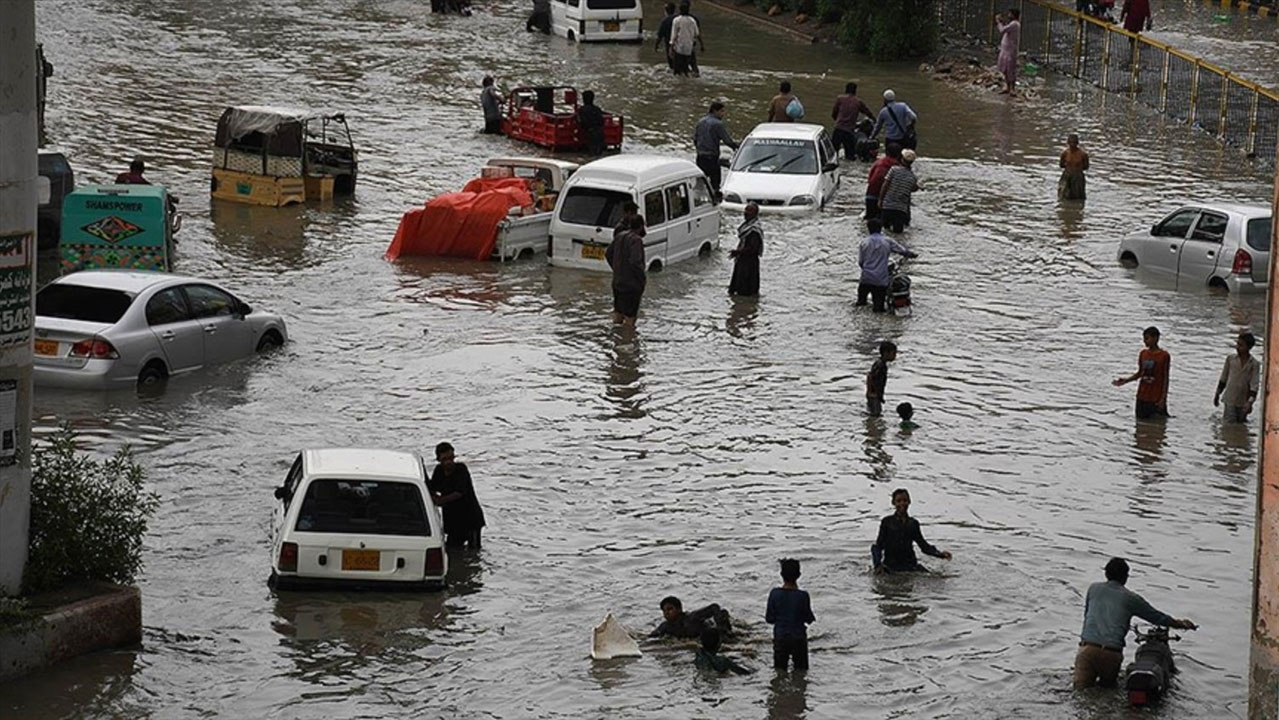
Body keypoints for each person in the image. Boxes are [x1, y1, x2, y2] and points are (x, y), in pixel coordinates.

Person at [1073, 558, 1196, 689]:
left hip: (1087, 650)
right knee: (1106, 691)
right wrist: (1181, 624)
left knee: (1080, 693)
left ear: (1106, 574)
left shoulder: (1093, 589)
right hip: (1111, 654)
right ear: (1125, 577)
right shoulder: (1131, 598)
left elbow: (1087, 616)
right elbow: (1156, 617)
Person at [871, 488, 952, 573]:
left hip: (910, 565)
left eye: (905, 500)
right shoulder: (887, 522)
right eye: (898, 501)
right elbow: (878, 546)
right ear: (893, 503)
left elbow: (923, 545)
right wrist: (877, 565)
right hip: (891, 566)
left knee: (938, 578)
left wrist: (940, 554)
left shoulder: (913, 524)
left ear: (909, 502)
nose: (902, 503)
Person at [428, 442, 486, 549]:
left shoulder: (461, 470)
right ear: (439, 459)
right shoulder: (438, 471)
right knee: (452, 549)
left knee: (473, 551)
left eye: (451, 458)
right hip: (453, 520)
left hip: (470, 519)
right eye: (445, 459)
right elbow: (432, 487)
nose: (449, 462)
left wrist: (440, 500)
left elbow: (459, 493)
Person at [765, 559, 815, 671]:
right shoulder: (803, 596)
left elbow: (769, 619)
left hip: (781, 638)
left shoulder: (774, 594)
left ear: (781, 574)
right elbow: (809, 619)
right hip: (799, 638)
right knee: (801, 671)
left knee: (779, 670)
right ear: (799, 575)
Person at [857, 218, 916, 313]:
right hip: (880, 280)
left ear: (869, 229)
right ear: (881, 228)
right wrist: (910, 254)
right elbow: (902, 250)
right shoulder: (887, 241)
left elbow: (861, 262)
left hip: (866, 278)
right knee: (878, 309)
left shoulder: (864, 242)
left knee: (860, 304)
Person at [1113, 326, 1170, 420]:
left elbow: (1165, 378)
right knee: (1140, 425)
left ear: (1156, 338)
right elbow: (1140, 373)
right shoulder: (1143, 353)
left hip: (1155, 398)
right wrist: (1125, 380)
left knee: (1158, 426)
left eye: (1147, 338)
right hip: (1142, 396)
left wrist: (1163, 399)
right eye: (1144, 339)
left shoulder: (1164, 356)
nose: (1145, 341)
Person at [605, 214, 647, 328]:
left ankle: (616, 339)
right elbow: (635, 262)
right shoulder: (636, 240)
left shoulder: (619, 236)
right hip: (631, 286)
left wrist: (617, 269)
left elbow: (608, 254)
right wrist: (642, 278)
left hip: (618, 282)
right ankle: (628, 341)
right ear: (641, 226)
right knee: (630, 317)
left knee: (618, 313)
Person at [694, 101, 739, 197]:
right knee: (715, 184)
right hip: (712, 158)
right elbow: (727, 141)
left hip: (700, 157)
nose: (723, 114)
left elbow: (695, 139)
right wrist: (738, 147)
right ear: (715, 111)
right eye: (722, 111)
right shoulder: (717, 124)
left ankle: (699, 199)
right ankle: (714, 201)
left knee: (700, 183)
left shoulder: (701, 122)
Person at [1214, 332, 1259, 423]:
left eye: (1241, 345)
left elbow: (1254, 385)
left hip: (1243, 401)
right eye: (1237, 344)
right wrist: (1217, 393)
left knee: (1241, 424)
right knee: (1229, 424)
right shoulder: (1230, 359)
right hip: (1230, 398)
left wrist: (1249, 402)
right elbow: (1223, 378)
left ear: (1249, 347)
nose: (1237, 347)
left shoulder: (1254, 364)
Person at [650, 596, 734, 638]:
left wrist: (724, 630)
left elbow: (714, 607)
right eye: (664, 611)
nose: (666, 613)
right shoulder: (666, 626)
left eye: (670, 609)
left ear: (679, 609)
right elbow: (651, 637)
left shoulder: (692, 618)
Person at [878, 149, 920, 233]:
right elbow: (912, 189)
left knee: (884, 230)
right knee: (898, 232)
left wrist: (880, 200)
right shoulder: (913, 177)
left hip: (888, 205)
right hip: (901, 209)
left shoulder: (893, 170)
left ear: (902, 159)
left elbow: (885, 185)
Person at [831, 82, 874, 160]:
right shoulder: (858, 102)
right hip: (849, 131)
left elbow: (834, 113)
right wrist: (874, 120)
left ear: (846, 90)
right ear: (855, 91)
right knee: (850, 156)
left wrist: (838, 121)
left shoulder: (840, 99)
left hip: (838, 129)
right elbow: (867, 112)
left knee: (833, 153)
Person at [729, 202, 763, 296]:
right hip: (742, 261)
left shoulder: (754, 230)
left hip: (749, 264)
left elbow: (753, 249)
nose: (746, 212)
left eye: (749, 210)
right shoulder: (746, 226)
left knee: (746, 290)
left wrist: (738, 252)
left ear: (755, 213)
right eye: (746, 210)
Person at [864, 143, 901, 221]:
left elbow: (870, 179)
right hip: (887, 200)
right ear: (898, 155)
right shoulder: (898, 167)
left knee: (870, 221)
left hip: (870, 195)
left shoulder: (877, 162)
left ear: (886, 152)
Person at [866, 340, 897, 417]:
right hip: (874, 394)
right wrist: (876, 394)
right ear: (886, 353)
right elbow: (871, 378)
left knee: (874, 413)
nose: (895, 356)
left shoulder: (879, 363)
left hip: (873, 393)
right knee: (875, 414)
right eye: (893, 353)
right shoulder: (881, 366)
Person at [670, 4, 700, 77]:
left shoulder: (676, 20)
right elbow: (697, 34)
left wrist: (671, 47)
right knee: (687, 67)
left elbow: (674, 35)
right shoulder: (692, 21)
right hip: (689, 48)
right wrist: (701, 45)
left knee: (677, 70)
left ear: (679, 10)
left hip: (679, 48)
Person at [996, 10, 1021, 95]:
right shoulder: (1012, 24)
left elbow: (1002, 30)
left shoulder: (1015, 24)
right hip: (1006, 50)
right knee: (1006, 69)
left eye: (1010, 14)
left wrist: (999, 22)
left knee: (1011, 70)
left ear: (1014, 15)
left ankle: (1012, 88)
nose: (1008, 15)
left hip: (1010, 51)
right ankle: (1007, 87)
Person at [1058, 134, 1089, 201]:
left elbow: (1086, 166)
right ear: (1068, 143)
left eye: (1074, 143)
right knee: (1063, 195)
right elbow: (1061, 165)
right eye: (1071, 143)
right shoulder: (1065, 153)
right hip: (1067, 175)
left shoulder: (1083, 154)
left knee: (1078, 197)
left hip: (1078, 177)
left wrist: (1077, 169)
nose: (1072, 145)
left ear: (1077, 143)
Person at [578, 90, 605, 157]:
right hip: (599, 131)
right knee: (599, 150)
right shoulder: (597, 109)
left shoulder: (582, 110)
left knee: (592, 150)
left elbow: (582, 122)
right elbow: (601, 120)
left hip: (590, 132)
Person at [655, 2, 677, 70]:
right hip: (680, 45)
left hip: (669, 45)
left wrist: (656, 45)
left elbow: (660, 35)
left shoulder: (665, 21)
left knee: (672, 65)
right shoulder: (678, 18)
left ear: (665, 11)